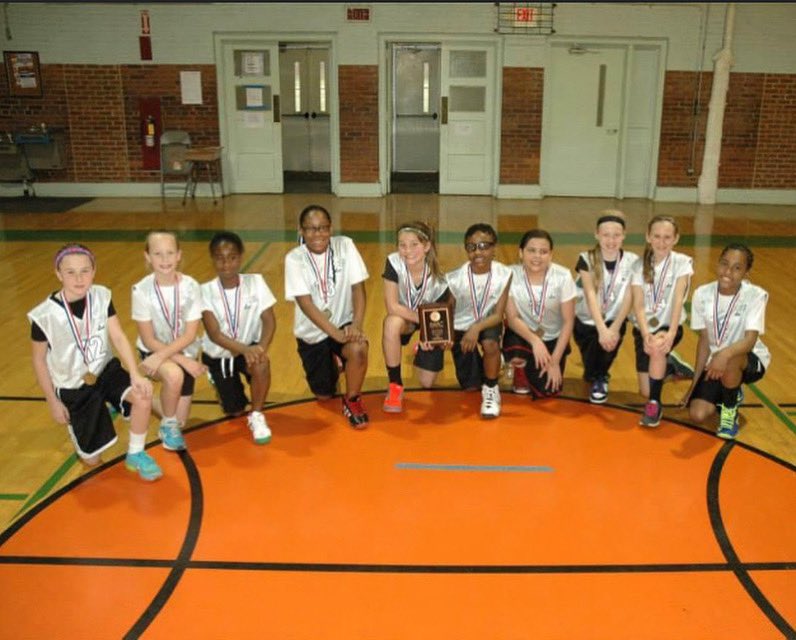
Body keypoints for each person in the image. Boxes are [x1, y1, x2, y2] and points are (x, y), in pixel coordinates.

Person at [28, 244, 162, 481]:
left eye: (85, 270)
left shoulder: (101, 295)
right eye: (70, 272)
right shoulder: (43, 316)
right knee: (92, 459)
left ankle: (136, 453)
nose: (79, 278)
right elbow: (39, 361)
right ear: (58, 274)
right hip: (73, 385)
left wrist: (134, 373)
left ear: (94, 270)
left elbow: (118, 336)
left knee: (142, 394)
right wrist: (53, 401)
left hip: (104, 370)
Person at [284, 204, 370, 428]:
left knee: (358, 349)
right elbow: (306, 304)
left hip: (344, 323)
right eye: (311, 229)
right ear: (301, 231)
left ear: (330, 229)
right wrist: (335, 334)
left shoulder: (345, 246)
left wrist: (357, 325)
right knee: (323, 394)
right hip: (313, 332)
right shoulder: (294, 259)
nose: (318, 234)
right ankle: (335, 361)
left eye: (323, 228)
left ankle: (352, 400)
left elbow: (358, 289)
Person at [682, 244, 770, 439]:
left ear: (746, 272)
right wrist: (694, 384)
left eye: (737, 268)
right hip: (716, 362)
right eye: (724, 264)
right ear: (718, 263)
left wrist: (724, 354)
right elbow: (704, 341)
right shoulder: (702, 294)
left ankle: (730, 408)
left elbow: (749, 341)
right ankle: (730, 389)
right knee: (697, 414)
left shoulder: (755, 296)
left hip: (749, 360)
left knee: (730, 358)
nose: (728, 271)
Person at [132, 230, 206, 452]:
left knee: (180, 419)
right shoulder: (141, 290)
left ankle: (135, 399)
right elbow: (148, 339)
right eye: (157, 254)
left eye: (169, 253)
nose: (164, 260)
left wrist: (184, 359)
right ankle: (167, 425)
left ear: (179, 255)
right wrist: (184, 363)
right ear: (147, 257)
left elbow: (190, 335)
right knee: (174, 375)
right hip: (152, 352)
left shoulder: (191, 286)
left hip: (182, 352)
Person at [200, 231, 277, 444]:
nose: (226, 264)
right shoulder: (204, 291)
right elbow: (214, 334)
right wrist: (246, 350)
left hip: (249, 349)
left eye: (232, 257)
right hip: (219, 355)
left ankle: (257, 415)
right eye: (220, 258)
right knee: (234, 410)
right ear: (213, 259)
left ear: (240, 256)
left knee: (262, 364)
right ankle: (219, 381)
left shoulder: (256, 282)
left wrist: (260, 348)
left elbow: (269, 320)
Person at [630, 215, 693, 427]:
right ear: (648, 237)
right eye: (656, 236)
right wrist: (646, 333)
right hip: (644, 328)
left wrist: (672, 332)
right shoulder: (639, 265)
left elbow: (677, 301)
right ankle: (670, 366)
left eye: (667, 237)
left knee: (657, 348)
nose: (662, 242)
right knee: (644, 388)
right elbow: (638, 304)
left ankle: (654, 404)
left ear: (676, 239)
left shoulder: (682, 263)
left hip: (670, 325)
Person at [381, 221, 450, 413]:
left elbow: (442, 320)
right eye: (402, 245)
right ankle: (395, 385)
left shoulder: (439, 280)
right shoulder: (394, 263)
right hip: (405, 318)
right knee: (391, 323)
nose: (407, 250)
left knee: (426, 382)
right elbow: (392, 305)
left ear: (427, 246)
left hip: (429, 320)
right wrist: (424, 322)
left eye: (414, 244)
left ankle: (421, 346)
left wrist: (429, 334)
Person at [445, 223, 512, 419]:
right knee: (471, 385)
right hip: (461, 325)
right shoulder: (455, 278)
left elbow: (499, 315)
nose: (478, 252)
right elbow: (448, 311)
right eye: (471, 247)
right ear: (466, 250)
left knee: (490, 343)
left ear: (494, 248)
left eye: (484, 246)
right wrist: (447, 336)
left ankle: (491, 389)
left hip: (488, 321)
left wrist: (476, 328)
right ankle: (492, 364)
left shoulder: (504, 274)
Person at [573, 211, 639, 403]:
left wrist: (615, 328)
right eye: (606, 235)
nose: (611, 240)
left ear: (624, 235)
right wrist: (602, 329)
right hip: (586, 319)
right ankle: (595, 373)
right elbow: (590, 293)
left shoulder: (633, 261)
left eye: (616, 235)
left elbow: (630, 296)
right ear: (597, 234)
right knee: (590, 365)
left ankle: (601, 377)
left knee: (604, 354)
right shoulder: (586, 258)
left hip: (614, 320)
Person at [504, 229, 576, 399]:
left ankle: (534, 366)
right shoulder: (509, 275)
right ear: (521, 253)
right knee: (514, 347)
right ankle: (520, 367)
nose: (537, 256)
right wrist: (536, 341)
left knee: (548, 391)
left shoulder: (563, 276)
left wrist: (555, 361)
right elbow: (512, 318)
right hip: (523, 335)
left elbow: (568, 321)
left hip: (553, 338)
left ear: (551, 255)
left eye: (543, 252)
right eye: (531, 250)